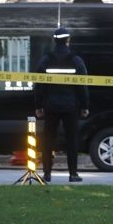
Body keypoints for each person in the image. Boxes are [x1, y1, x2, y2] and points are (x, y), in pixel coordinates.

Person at [34, 27, 89, 183]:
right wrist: (85, 106)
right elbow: (82, 86)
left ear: (54, 40)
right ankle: (73, 174)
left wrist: (39, 106)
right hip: (71, 107)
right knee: (72, 141)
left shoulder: (46, 60)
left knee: (48, 140)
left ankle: (47, 174)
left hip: (51, 107)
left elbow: (39, 86)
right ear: (67, 40)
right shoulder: (76, 60)